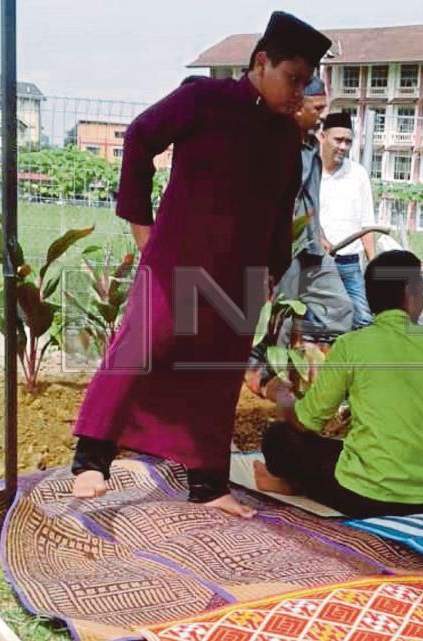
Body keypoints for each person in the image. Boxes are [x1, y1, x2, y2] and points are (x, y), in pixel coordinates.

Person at [69, 11, 331, 518]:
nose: (298, 92)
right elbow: (141, 138)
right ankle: (91, 459)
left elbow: (280, 209)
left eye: (304, 82)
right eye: (291, 78)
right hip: (175, 262)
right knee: (138, 349)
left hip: (241, 278)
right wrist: (140, 223)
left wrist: (273, 270)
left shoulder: (285, 138)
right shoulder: (202, 99)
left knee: (217, 374)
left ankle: (208, 483)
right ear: (261, 62)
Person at [254, 250, 423, 518]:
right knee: (346, 452)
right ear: (411, 296)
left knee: (278, 437)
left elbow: (306, 421)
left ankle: (292, 484)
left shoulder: (353, 346)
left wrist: (281, 395)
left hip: (370, 498)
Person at [274, 78, 353, 338]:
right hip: (285, 254)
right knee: (279, 322)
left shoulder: (311, 150)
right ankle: (269, 373)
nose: (323, 115)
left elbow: (309, 203)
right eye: (317, 108)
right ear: (298, 106)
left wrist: (320, 235)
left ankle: (306, 347)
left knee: (341, 310)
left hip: (313, 252)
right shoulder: (277, 147)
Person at [318, 111, 377, 328]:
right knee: (320, 322)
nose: (343, 147)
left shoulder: (358, 174)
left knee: (363, 320)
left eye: (348, 142)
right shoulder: (309, 172)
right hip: (318, 263)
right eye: (338, 140)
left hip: (349, 263)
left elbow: (367, 224)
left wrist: (373, 262)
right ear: (322, 137)